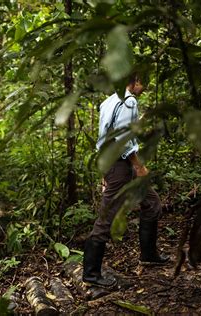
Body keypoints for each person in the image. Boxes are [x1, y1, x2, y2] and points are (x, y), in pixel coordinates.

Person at [83, 74, 169, 288]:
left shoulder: (109, 100)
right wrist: (138, 166)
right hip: (122, 166)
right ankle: (91, 274)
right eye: (142, 83)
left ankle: (148, 255)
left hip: (113, 163)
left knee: (151, 203)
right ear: (134, 81)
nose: (144, 88)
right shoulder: (128, 101)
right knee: (106, 218)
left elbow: (108, 136)